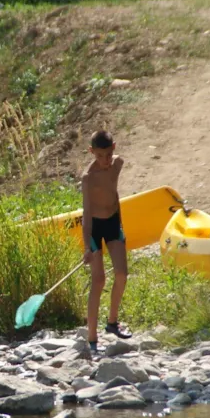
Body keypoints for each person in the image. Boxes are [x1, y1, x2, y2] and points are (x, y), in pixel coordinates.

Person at [81, 130, 132, 351]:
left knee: (122, 274)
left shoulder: (117, 164)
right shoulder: (88, 178)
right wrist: (87, 247)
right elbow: (86, 213)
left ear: (114, 148)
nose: (105, 160)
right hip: (94, 227)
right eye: (100, 156)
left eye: (109, 154)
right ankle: (92, 339)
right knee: (99, 280)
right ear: (91, 152)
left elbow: (114, 192)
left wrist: (120, 223)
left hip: (112, 222)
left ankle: (112, 323)